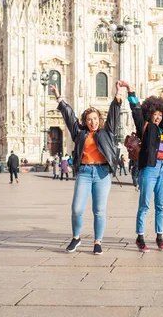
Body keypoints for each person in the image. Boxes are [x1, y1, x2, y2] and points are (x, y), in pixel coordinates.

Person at [51, 82, 122, 255]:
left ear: (99, 120)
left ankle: (98, 242)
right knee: (77, 208)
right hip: (84, 172)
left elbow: (114, 113)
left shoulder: (107, 132)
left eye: (95, 119)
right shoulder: (79, 133)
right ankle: (76, 238)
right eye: (89, 119)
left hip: (102, 173)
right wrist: (58, 97)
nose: (93, 122)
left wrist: (118, 94)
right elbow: (69, 116)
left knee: (99, 210)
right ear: (85, 121)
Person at [124, 82, 163, 252]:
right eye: (155, 114)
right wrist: (130, 90)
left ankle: (159, 237)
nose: (158, 117)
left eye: (160, 114)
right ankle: (140, 237)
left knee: (161, 205)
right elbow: (135, 109)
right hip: (149, 168)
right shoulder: (145, 126)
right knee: (144, 204)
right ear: (150, 114)